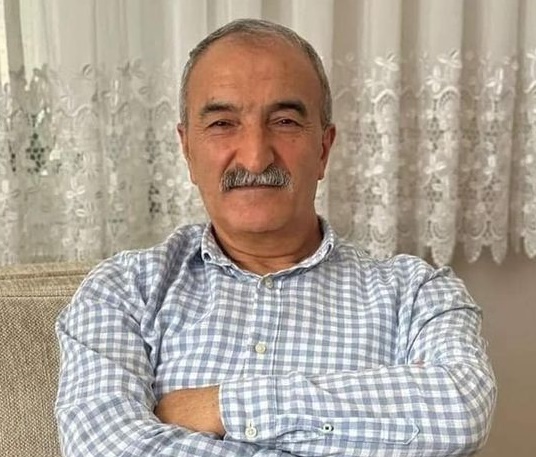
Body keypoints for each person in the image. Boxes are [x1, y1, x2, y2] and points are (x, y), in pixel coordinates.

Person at [55, 18, 496, 457]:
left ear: (323, 149)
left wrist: (222, 406)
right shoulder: (122, 291)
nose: (254, 157)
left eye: (284, 121)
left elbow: (461, 408)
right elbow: (103, 445)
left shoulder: (417, 294)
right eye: (222, 123)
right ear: (187, 149)